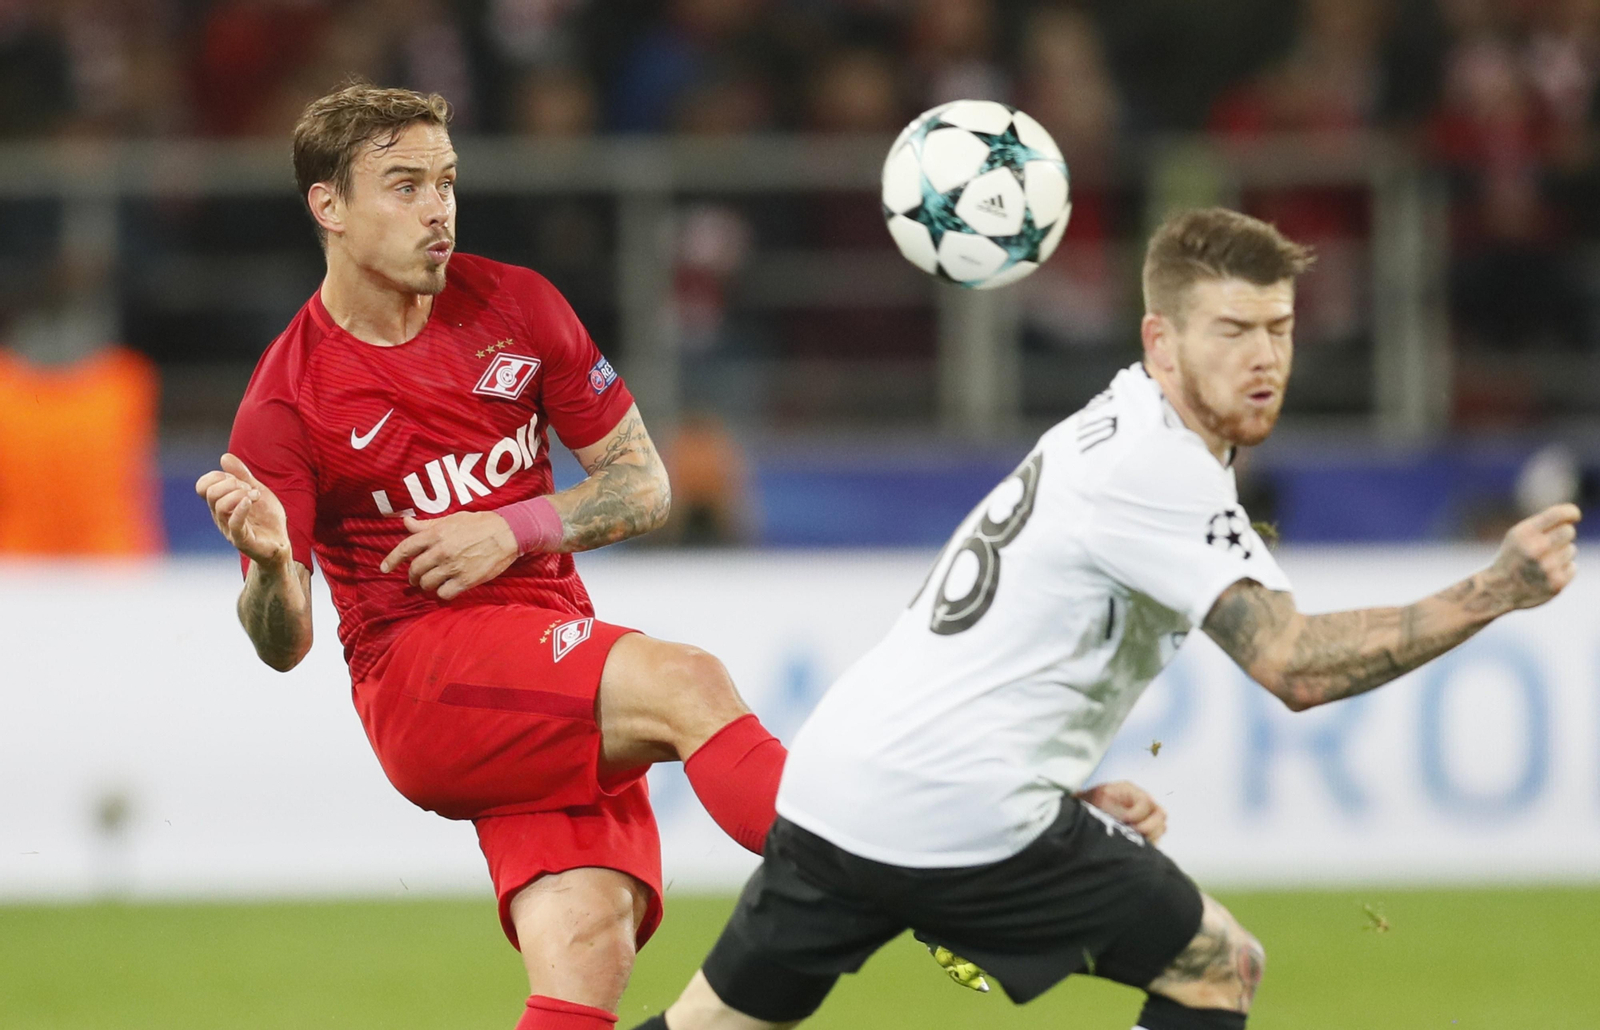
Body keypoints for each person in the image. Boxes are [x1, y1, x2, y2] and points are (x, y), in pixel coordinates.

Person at [628, 208, 1581, 1030]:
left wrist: (1054, 786)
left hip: (844, 786)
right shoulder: (1156, 469)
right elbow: (1295, 666)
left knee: (712, 1020)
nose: (1263, 359)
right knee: (1218, 967)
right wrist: (1492, 590)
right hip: (950, 806)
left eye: (1280, 330)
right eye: (1232, 330)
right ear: (1160, 341)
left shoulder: (1118, 427)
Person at [194, 82, 788, 1030]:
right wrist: (270, 570)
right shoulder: (288, 399)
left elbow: (645, 485)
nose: (438, 209)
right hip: (424, 677)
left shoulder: (516, 305)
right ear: (329, 206)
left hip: (547, 647)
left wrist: (513, 527)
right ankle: (860, 874)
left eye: (447, 181)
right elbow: (282, 644)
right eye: (404, 186)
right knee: (687, 682)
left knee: (591, 946)